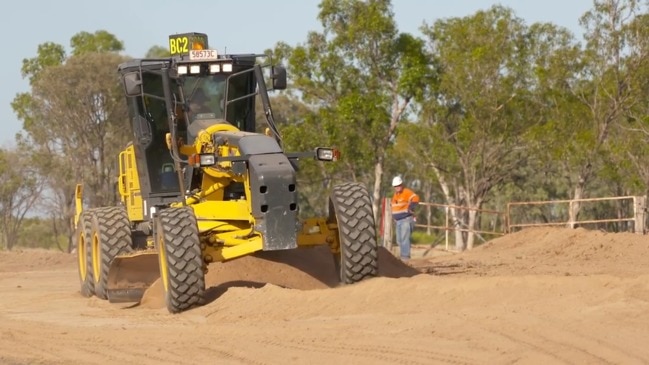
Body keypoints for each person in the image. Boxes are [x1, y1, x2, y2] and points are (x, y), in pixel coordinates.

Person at [390, 176, 419, 262]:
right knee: (399, 240)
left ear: (402, 184)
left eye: (399, 185)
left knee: (405, 239)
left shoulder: (406, 192)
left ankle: (405, 258)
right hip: (398, 221)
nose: (397, 187)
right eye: (396, 186)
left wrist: (411, 207)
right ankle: (403, 257)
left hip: (406, 219)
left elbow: (416, 198)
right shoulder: (395, 195)